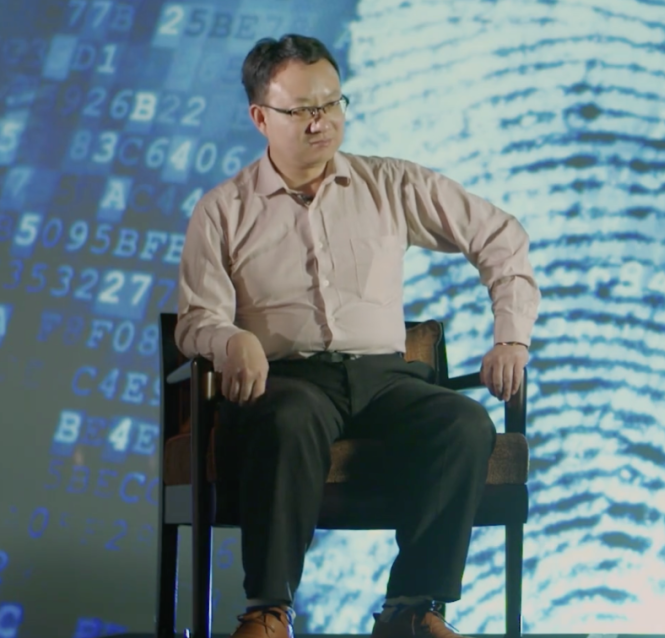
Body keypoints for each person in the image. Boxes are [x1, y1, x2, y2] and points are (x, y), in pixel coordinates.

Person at [176, 34, 540, 638]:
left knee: (464, 421)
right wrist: (230, 340)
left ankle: (410, 610)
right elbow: (196, 319)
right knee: (288, 416)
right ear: (261, 118)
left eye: (332, 104)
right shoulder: (223, 209)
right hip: (287, 380)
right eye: (302, 110)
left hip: (384, 380)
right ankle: (268, 610)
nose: (321, 122)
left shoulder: (389, 184)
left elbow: (500, 236)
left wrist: (511, 337)